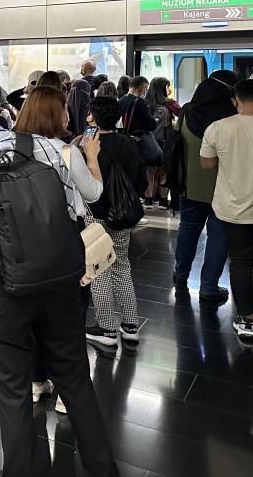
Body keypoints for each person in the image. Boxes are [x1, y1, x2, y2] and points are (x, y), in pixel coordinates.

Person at [0, 67, 118, 477]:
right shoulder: (48, 149)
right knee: (76, 382)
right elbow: (73, 210)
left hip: (1, 291)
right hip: (61, 281)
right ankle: (105, 470)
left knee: (13, 393)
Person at [13, 86, 103, 410]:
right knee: (70, 316)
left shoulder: (14, 149)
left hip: (26, 239)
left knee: (35, 312)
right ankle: (68, 392)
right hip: (65, 239)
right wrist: (91, 158)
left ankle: (37, 381)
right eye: (64, 108)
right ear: (56, 114)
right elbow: (92, 193)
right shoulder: (67, 152)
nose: (69, 114)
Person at [81, 96, 145, 348]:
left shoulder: (88, 145)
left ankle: (106, 328)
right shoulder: (129, 143)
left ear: (93, 118)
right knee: (122, 266)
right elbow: (140, 179)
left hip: (96, 215)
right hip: (123, 215)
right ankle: (130, 325)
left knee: (98, 269)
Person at [173, 70, 238, 304]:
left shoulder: (187, 112)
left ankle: (181, 274)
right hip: (224, 188)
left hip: (189, 185)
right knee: (218, 234)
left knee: (188, 229)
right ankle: (209, 287)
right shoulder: (233, 118)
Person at [200, 78, 253, 341]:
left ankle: (248, 319)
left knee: (241, 261)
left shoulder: (218, 128)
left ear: (235, 100)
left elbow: (207, 164)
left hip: (232, 208)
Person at [143, 76, 172, 208]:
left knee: (149, 171)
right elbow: (166, 129)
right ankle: (163, 200)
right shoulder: (164, 108)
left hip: (147, 143)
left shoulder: (144, 105)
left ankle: (148, 199)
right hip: (161, 142)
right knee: (163, 171)